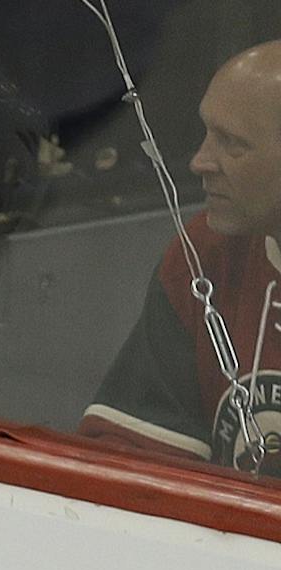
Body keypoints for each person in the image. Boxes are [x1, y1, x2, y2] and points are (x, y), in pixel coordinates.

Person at [82, 41, 281, 476]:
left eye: (232, 143)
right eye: (208, 133)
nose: (198, 161)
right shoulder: (204, 255)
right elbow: (131, 466)